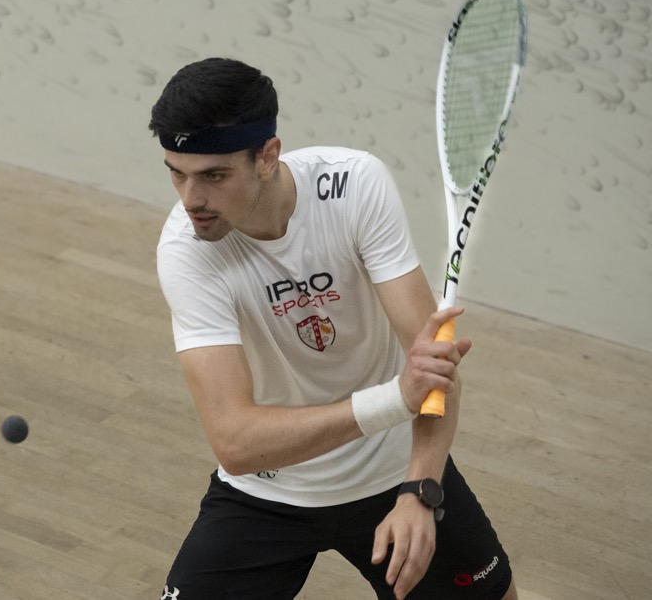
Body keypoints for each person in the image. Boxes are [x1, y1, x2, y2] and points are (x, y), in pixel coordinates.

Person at [149, 57, 517, 600]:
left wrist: (421, 490)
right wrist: (395, 399)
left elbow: (434, 369)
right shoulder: (186, 252)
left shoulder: (354, 186)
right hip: (269, 491)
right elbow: (235, 442)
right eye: (176, 173)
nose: (190, 199)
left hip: (395, 472)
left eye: (213, 176)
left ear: (267, 157)